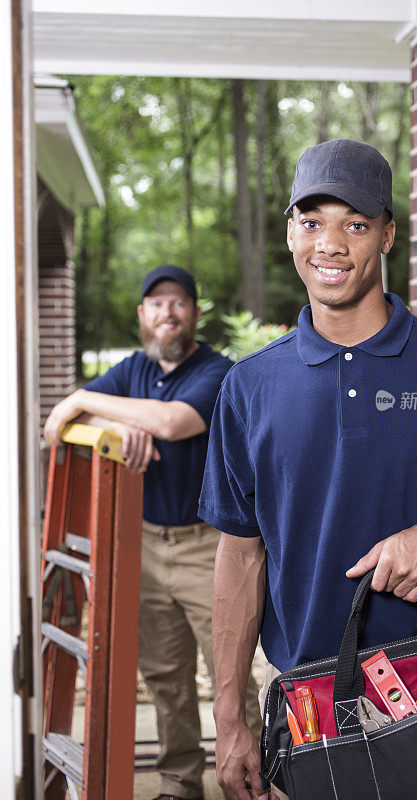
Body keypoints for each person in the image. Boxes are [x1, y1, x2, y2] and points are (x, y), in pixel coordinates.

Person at [197, 139, 417, 800]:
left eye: (353, 224)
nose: (329, 243)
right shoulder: (249, 388)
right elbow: (240, 557)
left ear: (386, 235)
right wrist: (230, 716)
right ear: (289, 231)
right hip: (310, 707)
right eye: (311, 221)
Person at [44, 264, 262, 800]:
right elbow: (54, 426)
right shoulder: (132, 371)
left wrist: (83, 400)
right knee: (165, 678)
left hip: (208, 547)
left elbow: (170, 422)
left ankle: (255, 780)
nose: (168, 311)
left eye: (179, 302)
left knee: (229, 677)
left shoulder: (219, 371)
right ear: (142, 315)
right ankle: (180, 784)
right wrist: (114, 424)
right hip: (143, 544)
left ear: (195, 313)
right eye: (157, 303)